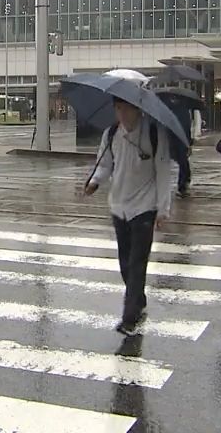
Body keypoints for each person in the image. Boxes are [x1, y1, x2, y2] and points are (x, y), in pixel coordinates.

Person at [84, 97, 172, 337]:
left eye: (126, 108)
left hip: (145, 206)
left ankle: (129, 316)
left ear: (137, 109)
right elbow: (105, 165)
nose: (121, 113)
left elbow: (163, 171)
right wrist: (94, 182)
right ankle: (138, 299)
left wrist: (163, 208)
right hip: (119, 205)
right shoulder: (111, 134)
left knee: (137, 262)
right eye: (117, 108)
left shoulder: (154, 133)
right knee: (125, 262)